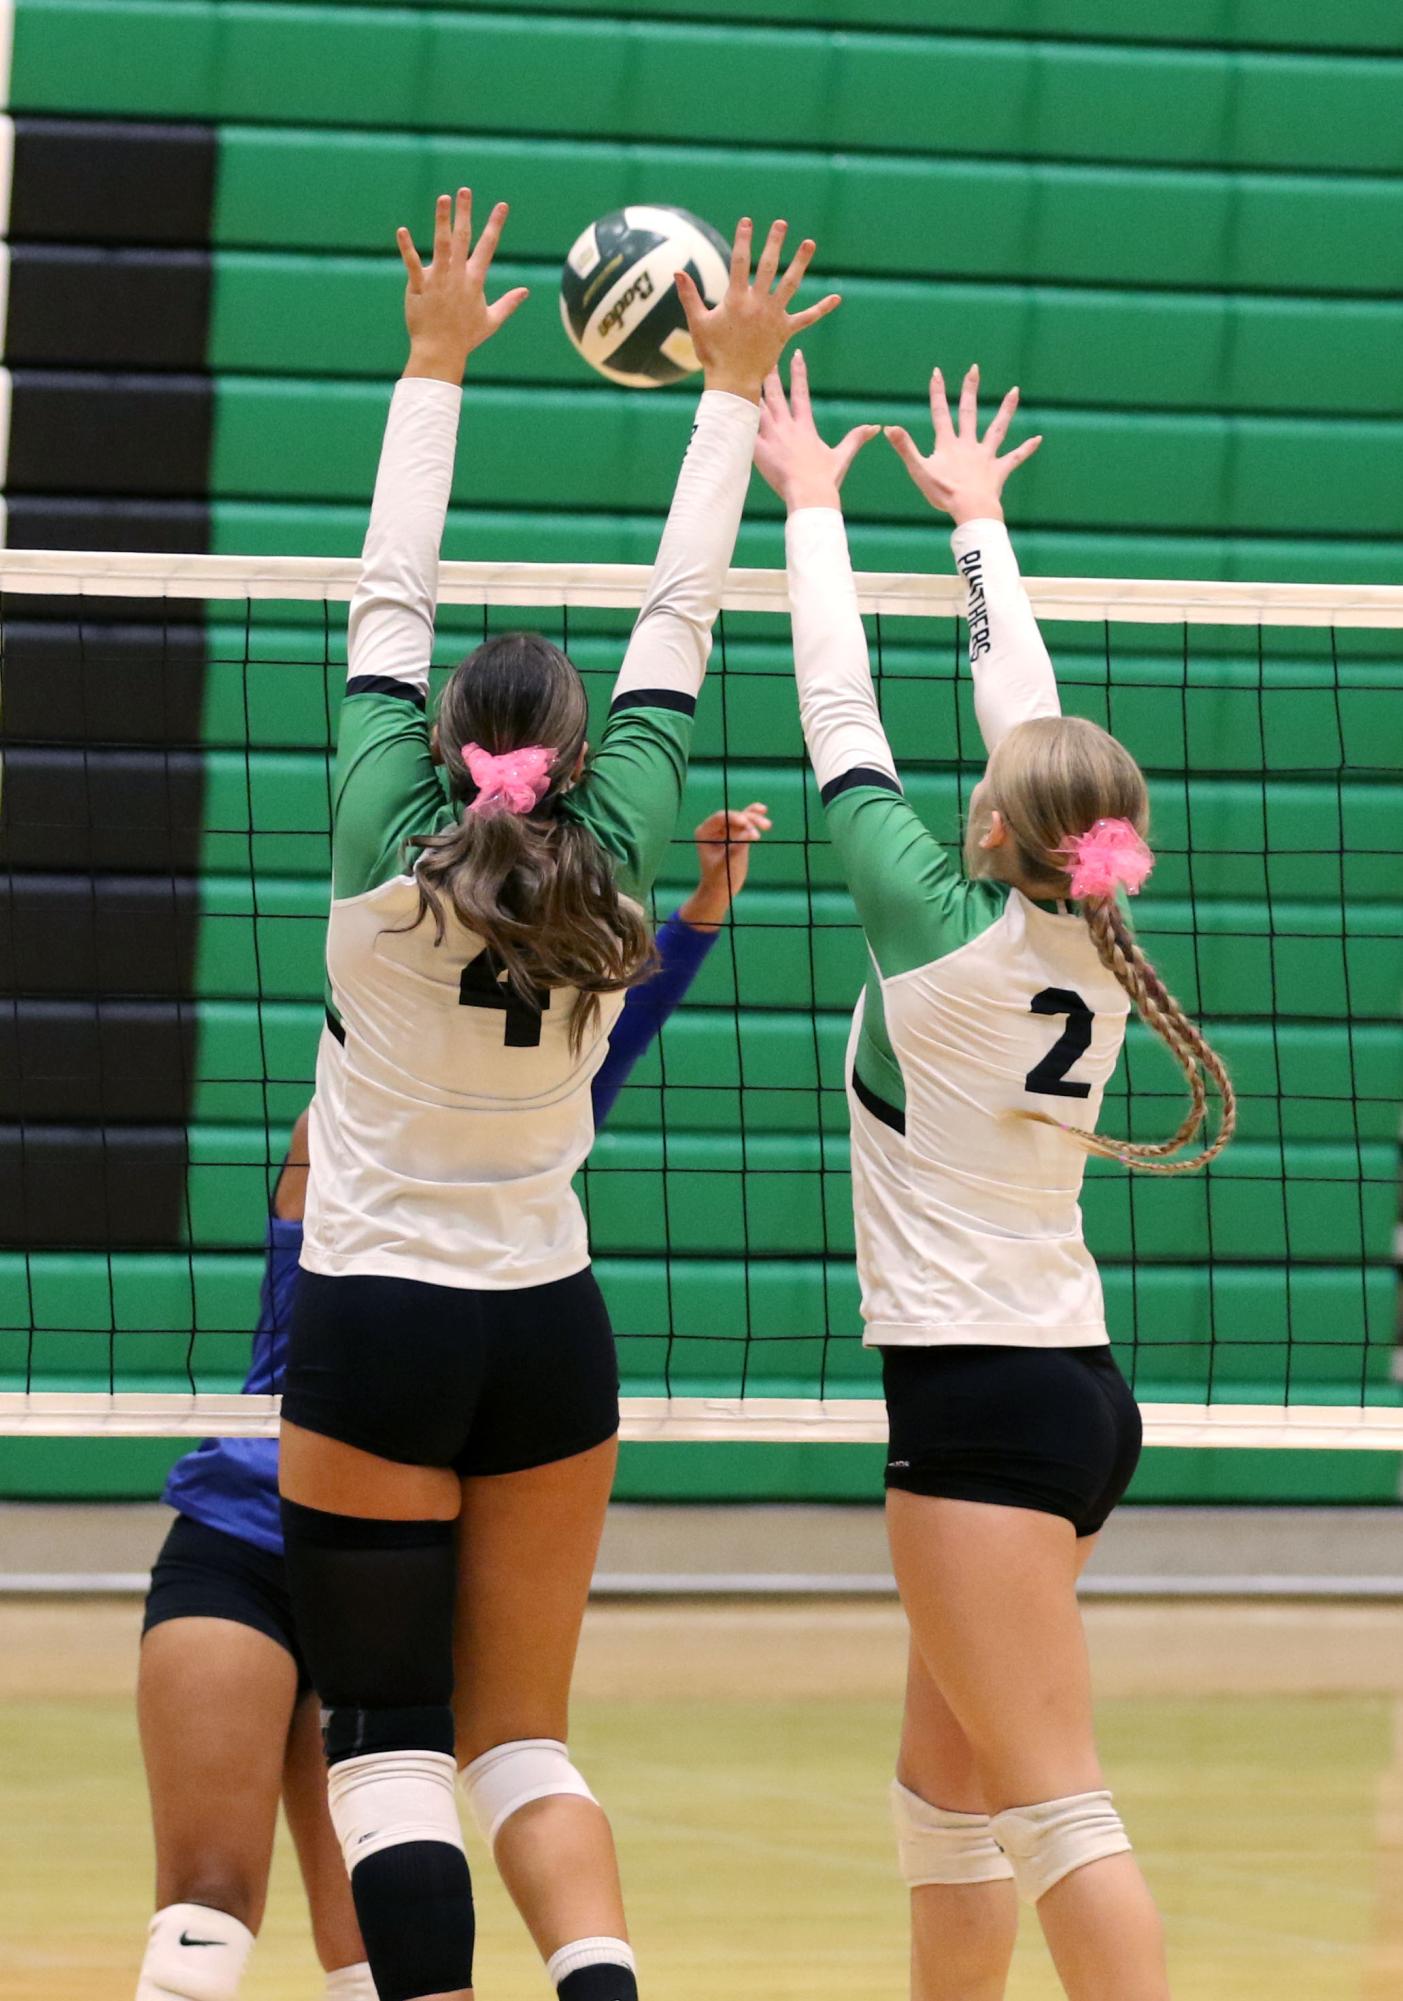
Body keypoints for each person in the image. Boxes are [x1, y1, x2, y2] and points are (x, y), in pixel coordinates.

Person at [275, 186, 835, 2001]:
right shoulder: (621, 856)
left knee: (383, 1734)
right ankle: (597, 1978)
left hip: (376, 1322)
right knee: (524, 1739)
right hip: (548, 1331)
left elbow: (385, 592)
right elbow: (683, 615)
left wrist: (431, 359)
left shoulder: (378, 841)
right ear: (582, 758)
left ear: (439, 740)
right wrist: (723, 398)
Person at [754, 353, 1236, 2001]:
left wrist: (811, 509)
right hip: (1061, 1390)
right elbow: (1021, 729)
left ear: (1000, 825)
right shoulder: (1092, 949)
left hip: (978, 1408)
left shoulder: (935, 934)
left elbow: (840, 709)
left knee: (1050, 1807)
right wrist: (975, 532)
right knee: (942, 1799)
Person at [133, 804, 768, 2001]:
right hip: (243, 1537)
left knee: (373, 1948)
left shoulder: (486, 1131)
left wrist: (696, 919)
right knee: (206, 1906)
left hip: (392, 1553)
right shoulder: (344, 1129)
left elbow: (595, 1053)